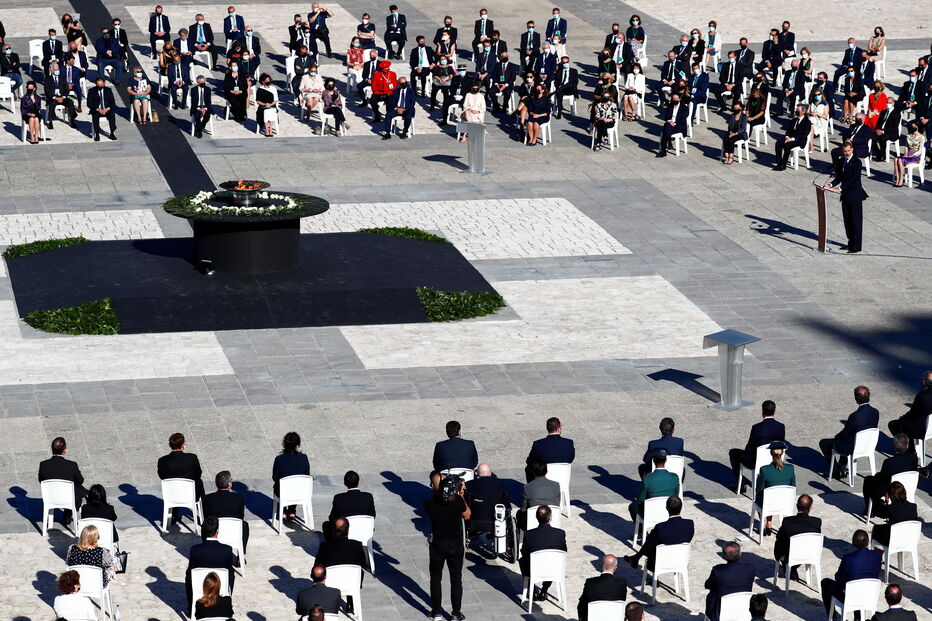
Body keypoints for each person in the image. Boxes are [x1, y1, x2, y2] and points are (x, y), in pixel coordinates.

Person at [425, 472, 470, 621]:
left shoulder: (429, 503)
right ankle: (456, 613)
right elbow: (467, 515)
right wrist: (461, 494)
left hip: (438, 545)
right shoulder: (457, 500)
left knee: (436, 578)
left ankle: (436, 611)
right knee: (456, 579)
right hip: (455, 546)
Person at [819, 386, 878, 477]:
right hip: (867, 444)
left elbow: (845, 433)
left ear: (856, 399)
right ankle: (842, 467)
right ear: (869, 396)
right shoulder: (875, 412)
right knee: (848, 438)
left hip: (853, 446)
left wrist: (837, 436)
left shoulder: (855, 416)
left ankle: (835, 470)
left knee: (824, 443)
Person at [821, 529, 882, 616]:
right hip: (870, 594)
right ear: (868, 542)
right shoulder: (877, 555)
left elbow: (838, 578)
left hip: (852, 597)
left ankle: (833, 616)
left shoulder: (848, 558)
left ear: (853, 543)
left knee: (825, 583)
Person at [624, 495, 693, 571]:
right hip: (681, 561)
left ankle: (636, 558)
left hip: (659, 563)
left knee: (651, 541)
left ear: (667, 508)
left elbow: (648, 548)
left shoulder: (661, 528)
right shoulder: (690, 524)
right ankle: (636, 558)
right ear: (681, 508)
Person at [826, 140, 871, 253]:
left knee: (856, 221)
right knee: (847, 220)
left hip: (854, 195)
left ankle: (856, 246)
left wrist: (840, 188)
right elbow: (839, 177)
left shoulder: (857, 162)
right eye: (844, 151)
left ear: (852, 150)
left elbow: (853, 179)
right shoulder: (842, 161)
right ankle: (850, 242)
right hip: (845, 195)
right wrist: (831, 184)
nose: (846, 153)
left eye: (848, 151)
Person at [315, 517, 365, 613]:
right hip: (351, 582)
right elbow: (362, 563)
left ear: (333, 530)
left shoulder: (325, 547)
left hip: (331, 582)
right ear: (348, 530)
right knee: (359, 571)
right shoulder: (357, 545)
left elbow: (317, 566)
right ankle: (352, 602)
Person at [863, 434, 919, 518]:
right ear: (907, 445)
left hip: (892, 488)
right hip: (909, 485)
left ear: (894, 447)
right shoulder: (914, 458)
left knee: (868, 480)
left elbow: (882, 479)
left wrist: (876, 476)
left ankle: (871, 510)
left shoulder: (889, 462)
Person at [520, 505, 566, 604]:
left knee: (522, 560)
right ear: (550, 518)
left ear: (536, 518)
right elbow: (564, 550)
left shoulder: (529, 534)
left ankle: (530, 589)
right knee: (553, 561)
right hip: (554, 570)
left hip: (534, 570)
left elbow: (524, 552)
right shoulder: (560, 533)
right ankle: (544, 590)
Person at [186, 517, 235, 609]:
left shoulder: (195, 550)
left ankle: (191, 607)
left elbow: (190, 573)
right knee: (231, 573)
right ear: (217, 532)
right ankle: (226, 599)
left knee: (189, 575)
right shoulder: (227, 550)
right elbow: (230, 573)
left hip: (201, 584)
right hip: (219, 584)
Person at [728, 400, 785, 479]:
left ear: (762, 412)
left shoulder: (757, 427)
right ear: (774, 411)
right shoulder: (781, 426)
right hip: (774, 458)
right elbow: (780, 444)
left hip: (756, 461)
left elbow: (749, 448)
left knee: (733, 452)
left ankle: (740, 486)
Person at [157, 433, 205, 525]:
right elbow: (198, 474)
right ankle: (204, 515)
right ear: (182, 445)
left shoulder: (162, 461)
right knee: (199, 482)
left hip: (171, 495)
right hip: (190, 495)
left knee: (174, 483)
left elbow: (162, 476)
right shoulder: (192, 458)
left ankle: (174, 514)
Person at [704, 542, 755, 621]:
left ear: (724, 556)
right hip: (743, 610)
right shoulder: (750, 569)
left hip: (720, 614)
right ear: (740, 554)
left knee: (711, 594)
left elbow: (707, 585)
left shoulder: (718, 570)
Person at [773, 494, 821, 577]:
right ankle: (793, 569)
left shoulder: (787, 521)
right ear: (810, 508)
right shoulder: (816, 522)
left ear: (797, 506)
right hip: (809, 553)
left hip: (791, 555)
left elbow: (779, 537)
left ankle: (789, 567)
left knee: (781, 541)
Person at [38, 437, 84, 521]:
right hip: (69, 499)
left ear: (52, 449)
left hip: (51, 497)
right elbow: (81, 480)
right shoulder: (72, 465)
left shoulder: (43, 465)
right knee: (79, 487)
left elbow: (41, 480)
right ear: (64, 451)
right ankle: (69, 513)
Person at [755, 442, 795, 536]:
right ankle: (769, 523)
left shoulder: (764, 470)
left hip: (769, 503)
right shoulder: (790, 468)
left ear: (771, 453)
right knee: (770, 497)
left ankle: (765, 524)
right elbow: (793, 486)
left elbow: (759, 490)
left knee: (761, 498)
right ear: (782, 452)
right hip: (784, 503)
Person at [323, 470, 375, 541]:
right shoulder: (368, 497)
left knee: (326, 525)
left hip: (345, 533)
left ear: (345, 483)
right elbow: (372, 515)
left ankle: (334, 549)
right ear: (359, 481)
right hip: (365, 532)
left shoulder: (339, 498)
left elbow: (332, 518)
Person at [202, 470, 249, 551]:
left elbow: (206, 517)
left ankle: (208, 549)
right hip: (233, 530)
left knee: (205, 525)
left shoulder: (207, 498)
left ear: (216, 484)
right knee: (244, 525)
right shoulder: (238, 498)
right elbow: (240, 516)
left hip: (215, 530)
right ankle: (241, 553)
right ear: (229, 484)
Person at [629, 450, 679, 523]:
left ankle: (641, 530)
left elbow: (640, 499)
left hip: (651, 513)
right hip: (669, 511)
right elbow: (676, 495)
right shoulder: (674, 477)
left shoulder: (647, 478)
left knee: (632, 506)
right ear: (665, 460)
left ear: (654, 462)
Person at [577, 554, 627, 621]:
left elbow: (581, 605)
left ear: (601, 565)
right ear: (615, 568)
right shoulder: (622, 584)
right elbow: (622, 601)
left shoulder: (590, 583)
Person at [273, 431, 310, 521]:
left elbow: (275, 477)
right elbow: (306, 475)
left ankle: (283, 511)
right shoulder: (304, 458)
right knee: (296, 483)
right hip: (300, 493)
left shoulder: (279, 459)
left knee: (279, 485)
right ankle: (292, 510)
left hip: (283, 493)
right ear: (298, 445)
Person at [524, 417, 574, 481]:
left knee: (529, 468)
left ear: (547, 429)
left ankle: (533, 488)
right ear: (559, 429)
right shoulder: (569, 443)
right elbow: (570, 459)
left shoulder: (538, 444)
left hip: (544, 477)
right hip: (563, 478)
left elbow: (529, 461)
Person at [464, 463, 508, 537]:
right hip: (496, 519)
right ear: (490, 473)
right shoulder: (500, 484)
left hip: (475, 521)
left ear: (477, 474)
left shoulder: (469, 484)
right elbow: (506, 503)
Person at [870, 481, 919, 547]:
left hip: (894, 540)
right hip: (910, 539)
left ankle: (876, 555)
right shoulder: (913, 506)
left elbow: (879, 513)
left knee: (876, 528)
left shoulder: (891, 508)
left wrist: (885, 502)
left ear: (891, 496)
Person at [889, 372, 932, 442]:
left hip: (922, 428)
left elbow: (913, 413)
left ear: (925, 382)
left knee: (894, 424)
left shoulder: (922, 396)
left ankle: (906, 447)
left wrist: (902, 418)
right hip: (930, 426)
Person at [518, 460, 560, 531]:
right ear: (546, 471)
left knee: (519, 514)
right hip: (552, 518)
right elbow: (557, 503)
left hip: (533, 521)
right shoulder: (556, 485)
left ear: (533, 472)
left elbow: (523, 508)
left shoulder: (528, 487)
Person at [772, 104, 811, 170]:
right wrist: (787, 137)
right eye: (796, 109)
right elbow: (788, 130)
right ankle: (779, 162)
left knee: (787, 145)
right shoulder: (794, 120)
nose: (796, 111)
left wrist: (792, 139)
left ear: (803, 112)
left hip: (800, 140)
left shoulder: (807, 122)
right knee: (778, 143)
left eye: (798, 110)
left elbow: (804, 134)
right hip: (790, 138)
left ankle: (783, 165)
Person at [43, 63, 76, 129]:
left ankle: (72, 120)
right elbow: (47, 91)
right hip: (53, 98)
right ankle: (50, 121)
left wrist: (63, 97)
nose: (57, 71)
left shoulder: (62, 78)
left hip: (62, 97)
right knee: (52, 104)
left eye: (57, 69)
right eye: (55, 70)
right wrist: (55, 98)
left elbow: (67, 90)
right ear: (52, 70)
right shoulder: (47, 79)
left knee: (70, 102)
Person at [656, 92, 689, 158]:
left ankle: (664, 150)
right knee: (667, 125)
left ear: (679, 99)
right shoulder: (670, 106)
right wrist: (670, 121)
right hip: (670, 124)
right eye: (673, 99)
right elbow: (666, 117)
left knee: (665, 129)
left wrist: (675, 123)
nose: (675, 100)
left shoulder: (684, 108)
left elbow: (683, 118)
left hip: (679, 126)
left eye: (676, 98)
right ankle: (668, 143)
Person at [87, 77, 117, 141]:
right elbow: (89, 103)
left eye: (101, 85)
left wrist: (107, 109)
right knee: (95, 116)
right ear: (96, 84)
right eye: (98, 85)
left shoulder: (108, 90)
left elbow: (112, 102)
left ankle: (112, 132)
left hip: (106, 109)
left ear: (104, 83)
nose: (100, 86)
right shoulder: (91, 91)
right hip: (97, 109)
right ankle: (97, 133)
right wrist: (98, 109)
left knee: (112, 115)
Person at [189, 74, 211, 138]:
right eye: (201, 83)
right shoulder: (194, 90)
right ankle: (199, 131)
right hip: (196, 107)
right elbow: (193, 102)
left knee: (207, 116)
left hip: (205, 106)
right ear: (198, 82)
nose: (202, 83)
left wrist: (205, 109)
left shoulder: (208, 89)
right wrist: (199, 109)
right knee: (197, 116)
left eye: (203, 82)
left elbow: (209, 101)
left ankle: (200, 127)